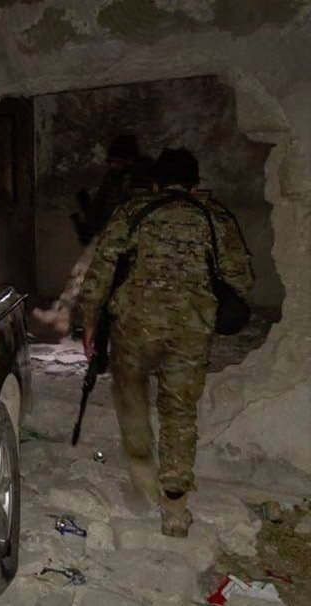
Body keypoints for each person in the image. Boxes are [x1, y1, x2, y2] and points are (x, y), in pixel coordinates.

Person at [78, 148, 253, 537]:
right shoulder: (215, 217)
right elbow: (241, 279)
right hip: (190, 331)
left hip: (134, 328)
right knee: (178, 411)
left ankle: (143, 475)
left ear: (155, 185)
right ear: (195, 185)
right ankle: (174, 508)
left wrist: (89, 321)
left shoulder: (132, 212)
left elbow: (101, 270)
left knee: (131, 397)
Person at [33, 134, 153, 337]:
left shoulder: (143, 177)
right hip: (111, 235)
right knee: (83, 271)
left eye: (116, 161)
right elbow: (101, 210)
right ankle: (62, 312)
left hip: (136, 239)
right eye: (111, 161)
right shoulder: (115, 177)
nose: (112, 165)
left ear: (128, 159)